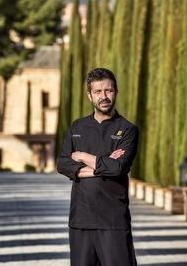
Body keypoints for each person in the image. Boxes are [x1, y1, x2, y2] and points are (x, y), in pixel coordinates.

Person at [57, 68, 139, 266]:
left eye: (108, 91)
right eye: (98, 92)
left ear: (116, 92)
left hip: (113, 220)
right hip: (81, 220)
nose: (104, 96)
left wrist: (83, 156)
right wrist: (103, 163)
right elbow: (63, 163)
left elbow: (118, 167)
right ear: (89, 95)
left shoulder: (127, 130)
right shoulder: (77, 127)